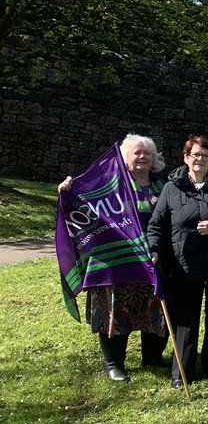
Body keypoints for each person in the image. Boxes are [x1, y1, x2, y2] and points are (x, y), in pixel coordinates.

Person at [58, 134, 169, 382]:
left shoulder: (162, 186)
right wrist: (67, 189)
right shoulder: (107, 185)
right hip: (115, 263)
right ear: (123, 157)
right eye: (136, 153)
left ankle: (152, 356)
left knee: (155, 308)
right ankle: (114, 363)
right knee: (115, 312)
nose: (142, 157)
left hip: (152, 260)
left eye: (147, 153)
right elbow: (80, 198)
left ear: (154, 159)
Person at [147, 136, 208, 388]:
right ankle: (182, 373)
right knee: (185, 319)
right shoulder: (172, 188)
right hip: (184, 264)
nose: (199, 159)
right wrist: (155, 250)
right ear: (185, 158)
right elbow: (156, 226)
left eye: (205, 155)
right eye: (195, 154)